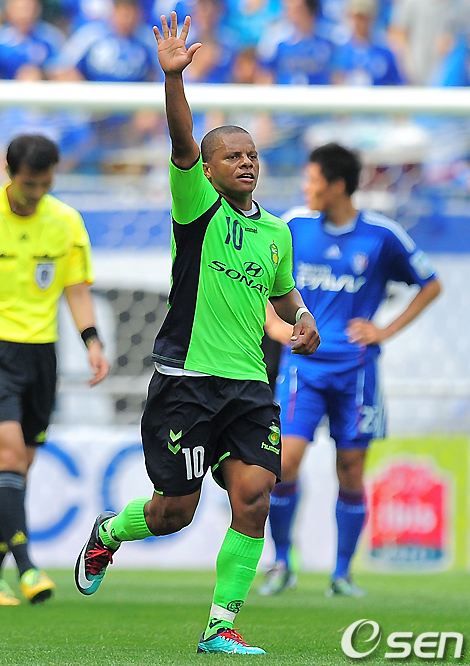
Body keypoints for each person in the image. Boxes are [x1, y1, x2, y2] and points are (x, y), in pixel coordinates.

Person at [74, 11, 320, 655]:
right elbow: (182, 138)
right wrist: (173, 79)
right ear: (206, 171)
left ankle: (221, 625)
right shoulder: (197, 210)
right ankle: (109, 533)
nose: (246, 163)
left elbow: (282, 292)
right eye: (232, 156)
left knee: (254, 497)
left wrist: (302, 318)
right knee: (173, 513)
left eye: (252, 155)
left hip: (249, 386)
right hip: (187, 382)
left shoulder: (277, 232)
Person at [258, 142, 442, 597]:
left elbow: (431, 284)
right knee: (284, 464)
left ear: (337, 185)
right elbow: (259, 283)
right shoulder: (293, 226)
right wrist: (277, 329)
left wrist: (384, 330)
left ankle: (342, 574)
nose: (306, 187)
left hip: (357, 372)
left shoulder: (381, 235)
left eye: (312, 179)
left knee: (351, 470)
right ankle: (282, 562)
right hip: (302, 369)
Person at [0, 134, 110, 607]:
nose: (37, 193)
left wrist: (93, 342)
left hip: (41, 355)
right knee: (8, 457)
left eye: (45, 184)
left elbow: (76, 289)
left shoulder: (65, 221)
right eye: (29, 184)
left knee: (19, 466)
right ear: (10, 173)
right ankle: (27, 568)